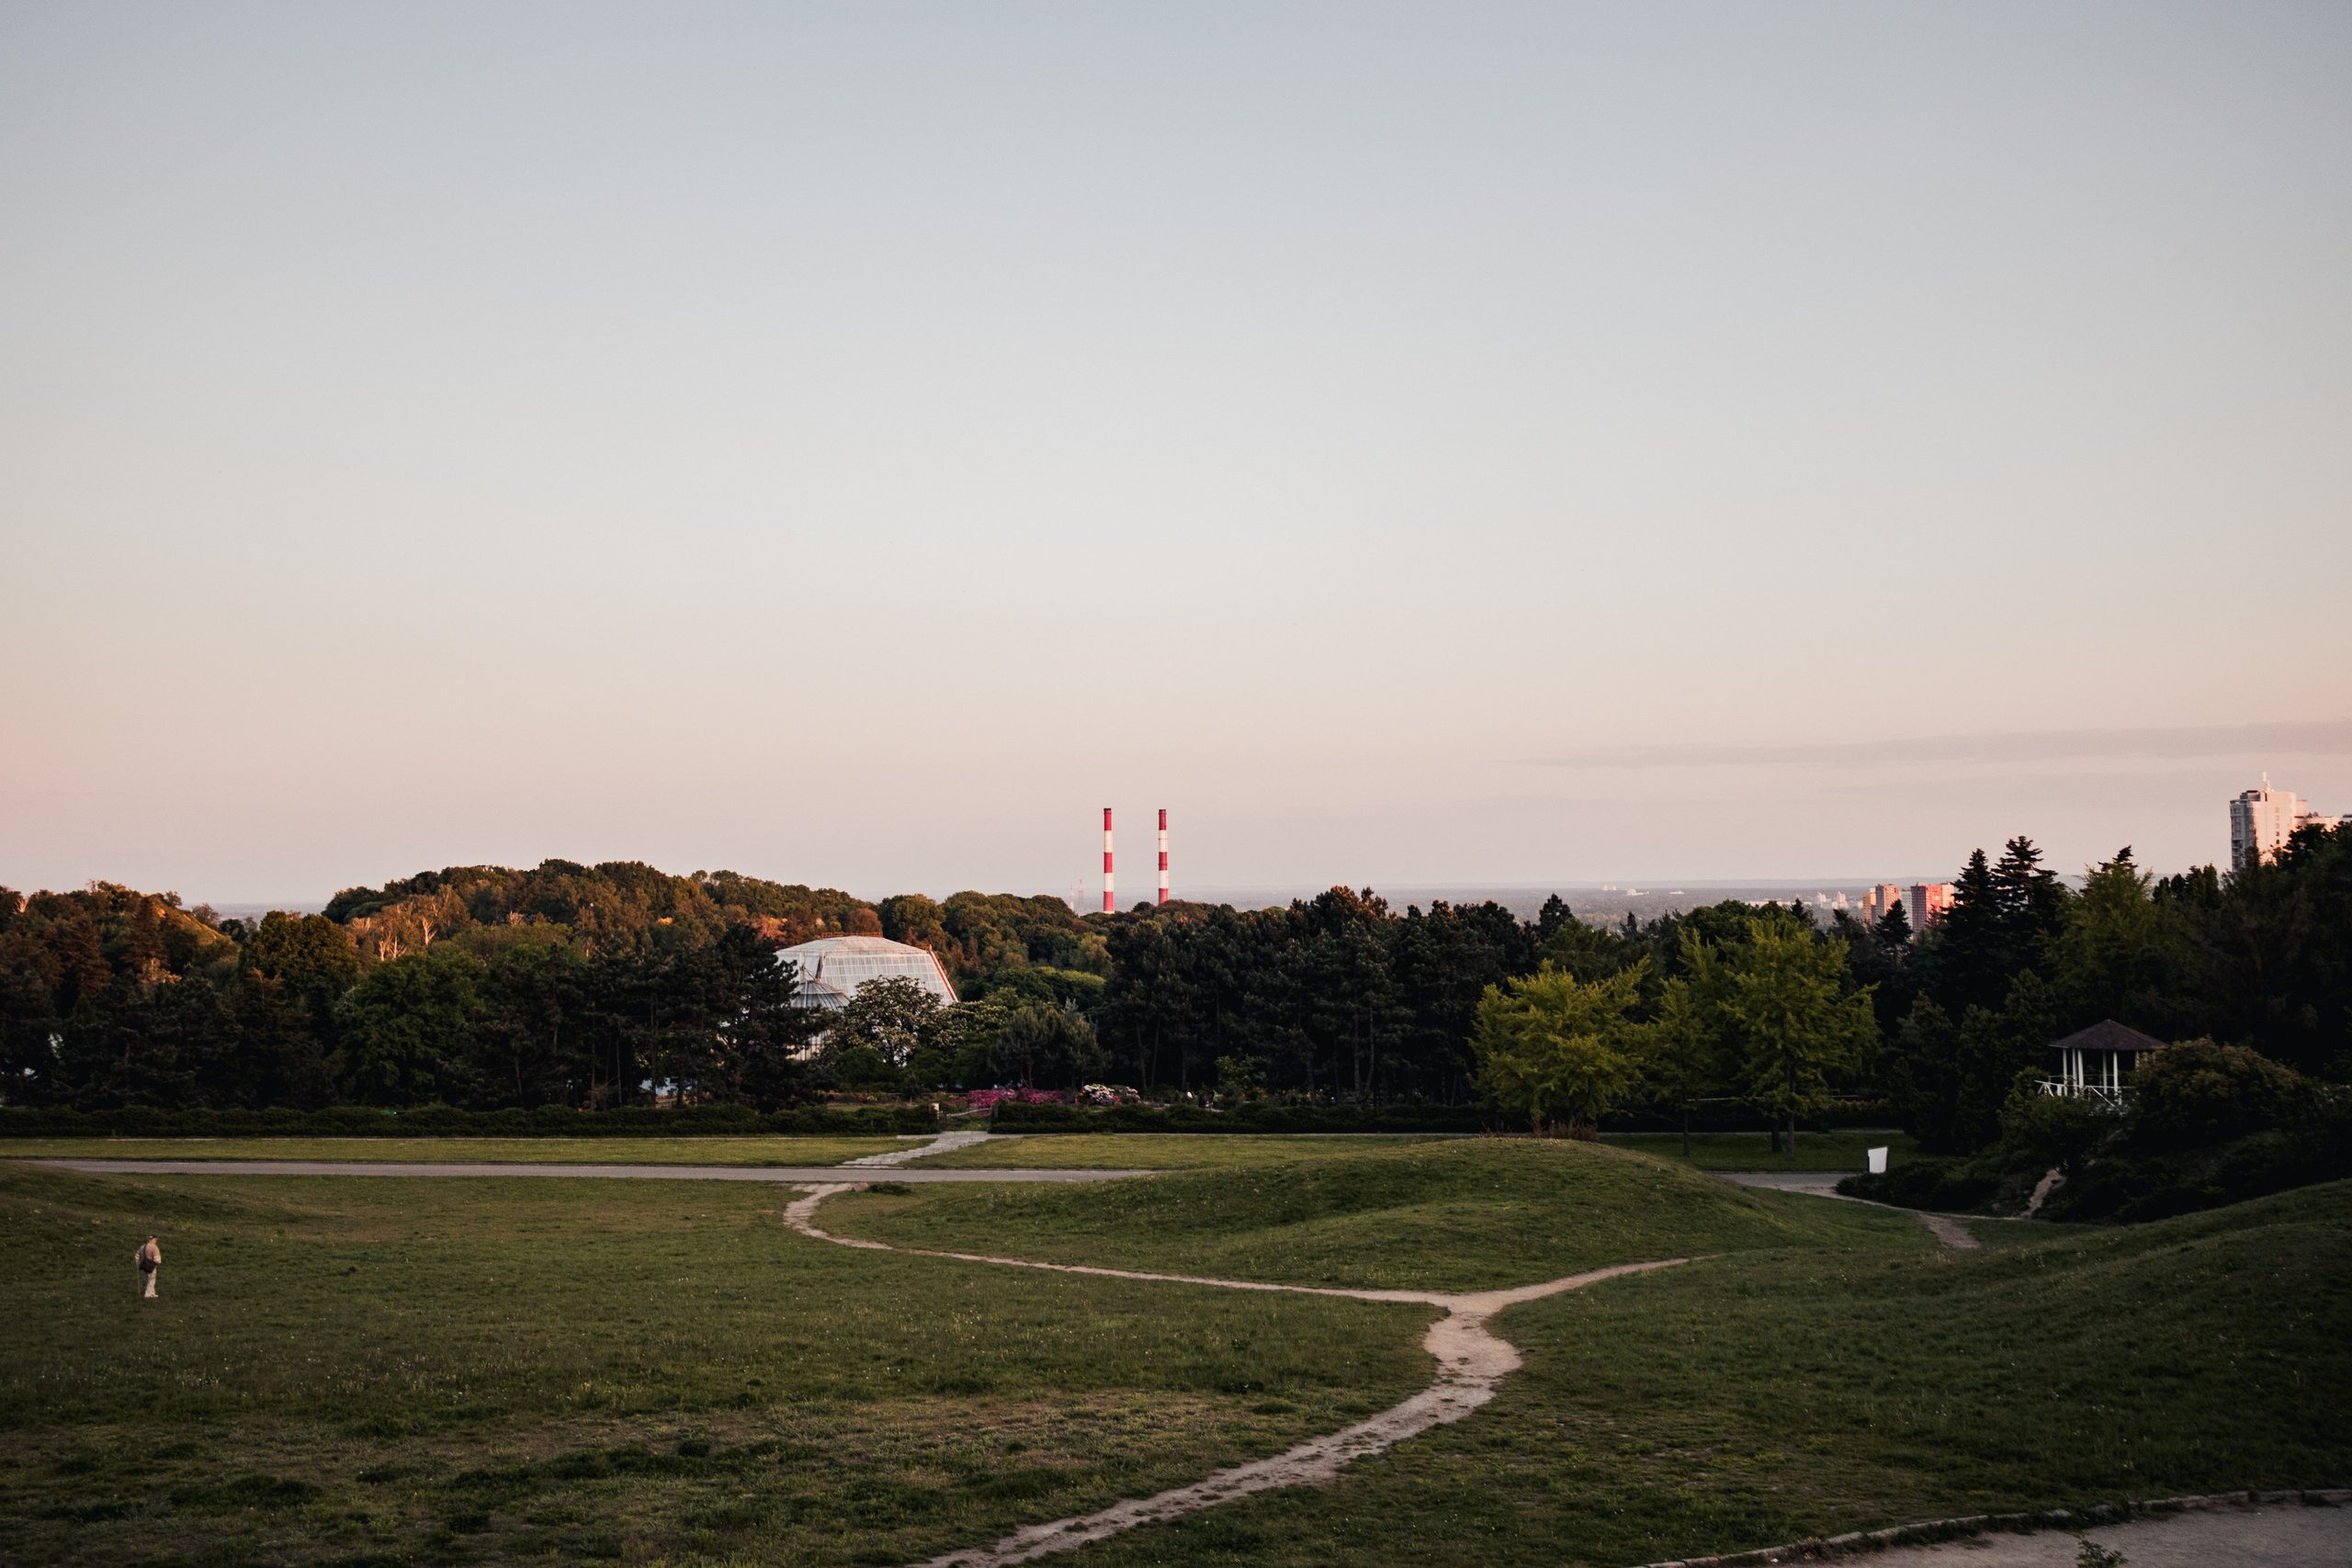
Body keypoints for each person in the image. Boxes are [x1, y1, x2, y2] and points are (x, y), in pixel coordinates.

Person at [136, 1235, 161, 1299]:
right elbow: (157, 1259)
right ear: (154, 1239)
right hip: (151, 1266)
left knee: (147, 1279)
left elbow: (137, 1256)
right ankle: (148, 1294)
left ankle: (152, 1293)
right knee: (152, 1280)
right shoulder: (154, 1247)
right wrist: (158, 1263)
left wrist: (138, 1263)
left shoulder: (142, 1246)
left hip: (144, 1265)